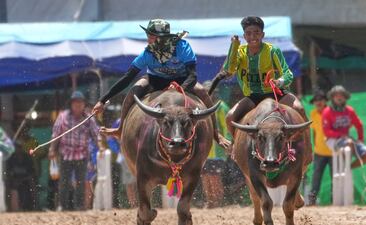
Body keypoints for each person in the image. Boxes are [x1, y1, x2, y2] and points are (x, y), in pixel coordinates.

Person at [91, 19, 229, 149]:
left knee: (203, 92)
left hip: (182, 80)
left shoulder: (182, 47)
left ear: (161, 37)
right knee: (132, 92)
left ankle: (216, 135)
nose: (148, 39)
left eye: (151, 36)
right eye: (148, 35)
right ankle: (120, 130)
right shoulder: (147, 53)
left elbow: (192, 75)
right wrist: (102, 101)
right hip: (155, 79)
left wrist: (179, 89)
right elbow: (128, 77)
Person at [209, 16, 311, 166]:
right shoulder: (239, 52)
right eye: (249, 33)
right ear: (244, 36)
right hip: (253, 96)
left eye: (256, 33)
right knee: (230, 117)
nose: (252, 37)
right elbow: (228, 71)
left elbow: (288, 73)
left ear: (262, 35)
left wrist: (280, 81)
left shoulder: (272, 51)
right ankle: (237, 148)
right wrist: (234, 47)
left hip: (276, 93)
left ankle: (305, 147)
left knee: (299, 108)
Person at [48, 91, 103, 211]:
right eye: (75, 103)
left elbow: (96, 134)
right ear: (71, 104)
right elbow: (55, 134)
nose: (78, 105)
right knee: (64, 181)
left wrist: (100, 147)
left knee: (81, 181)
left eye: (80, 103)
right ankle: (62, 206)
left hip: (82, 155)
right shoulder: (63, 117)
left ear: (84, 104)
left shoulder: (88, 118)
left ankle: (79, 206)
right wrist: (52, 149)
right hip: (65, 154)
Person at [322, 85, 366, 169]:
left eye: (341, 95)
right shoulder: (327, 112)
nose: (339, 97)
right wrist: (340, 135)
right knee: (349, 144)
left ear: (345, 97)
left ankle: (348, 168)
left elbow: (359, 125)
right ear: (332, 98)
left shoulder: (349, 110)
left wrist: (360, 139)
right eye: (336, 95)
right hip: (332, 139)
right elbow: (326, 131)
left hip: (347, 139)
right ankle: (344, 168)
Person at [307, 91, 332, 205]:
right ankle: (312, 201)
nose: (318, 102)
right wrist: (313, 148)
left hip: (333, 152)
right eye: (316, 100)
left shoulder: (331, 112)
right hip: (319, 152)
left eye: (321, 100)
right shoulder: (313, 114)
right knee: (316, 178)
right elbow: (314, 132)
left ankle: (334, 201)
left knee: (335, 178)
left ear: (325, 101)